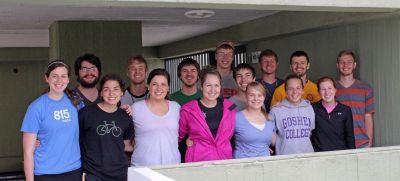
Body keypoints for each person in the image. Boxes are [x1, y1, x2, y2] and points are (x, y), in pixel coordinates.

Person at [21, 60, 82, 181]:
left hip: (73, 170)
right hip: (45, 173)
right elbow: (28, 152)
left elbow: (97, 116)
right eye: (54, 76)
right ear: (46, 78)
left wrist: (122, 108)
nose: (59, 80)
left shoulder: (76, 103)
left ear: (68, 79)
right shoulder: (36, 107)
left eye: (63, 76)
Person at [79, 74, 134, 181]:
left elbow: (127, 145)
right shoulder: (86, 113)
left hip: (120, 173)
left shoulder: (125, 116)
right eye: (106, 89)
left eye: (116, 89)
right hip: (93, 174)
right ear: (101, 92)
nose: (111, 93)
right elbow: (73, 140)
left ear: (122, 92)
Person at [179, 66, 236, 162]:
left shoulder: (230, 107)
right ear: (201, 86)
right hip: (198, 162)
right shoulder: (188, 109)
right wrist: (185, 144)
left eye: (216, 85)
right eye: (208, 85)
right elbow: (178, 137)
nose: (212, 89)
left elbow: (236, 134)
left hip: (224, 161)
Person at [131, 69, 181, 166]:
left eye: (163, 84)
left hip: (172, 166)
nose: (159, 88)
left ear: (168, 88)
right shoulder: (136, 108)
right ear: (148, 86)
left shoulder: (176, 107)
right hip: (142, 167)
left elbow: (187, 130)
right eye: (154, 84)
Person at [335, 50, 375, 148]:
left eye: (349, 62)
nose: (345, 65)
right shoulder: (331, 89)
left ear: (354, 65)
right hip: (338, 143)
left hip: (361, 144)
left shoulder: (366, 88)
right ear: (337, 65)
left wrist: (369, 144)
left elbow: (368, 118)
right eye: (342, 62)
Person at [269, 74, 315, 155]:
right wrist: (281, 144)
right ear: (285, 91)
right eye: (290, 89)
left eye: (298, 88)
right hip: (285, 158)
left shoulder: (309, 108)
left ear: (302, 90)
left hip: (308, 156)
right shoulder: (276, 110)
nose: (294, 92)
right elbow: (267, 133)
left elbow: (310, 132)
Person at [311, 76, 355, 151]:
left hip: (340, 155)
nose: (327, 92)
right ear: (318, 92)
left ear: (335, 90)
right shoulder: (312, 109)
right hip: (319, 156)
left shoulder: (345, 110)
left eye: (330, 88)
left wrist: (352, 157)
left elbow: (350, 137)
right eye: (323, 89)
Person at [234, 82, 275, 158]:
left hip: (265, 164)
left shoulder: (269, 119)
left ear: (264, 97)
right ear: (246, 96)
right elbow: (224, 141)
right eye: (251, 95)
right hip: (243, 165)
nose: (256, 99)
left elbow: (274, 141)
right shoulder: (236, 118)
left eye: (259, 95)